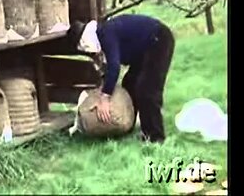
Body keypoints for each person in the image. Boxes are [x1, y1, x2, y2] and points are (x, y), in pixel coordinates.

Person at [67, 14, 175, 143]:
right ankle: (128, 125)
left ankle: (155, 137)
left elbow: (114, 67)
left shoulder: (105, 33)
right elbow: (109, 68)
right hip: (144, 49)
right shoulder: (101, 34)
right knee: (129, 83)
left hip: (158, 40)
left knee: (147, 90)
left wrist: (105, 98)